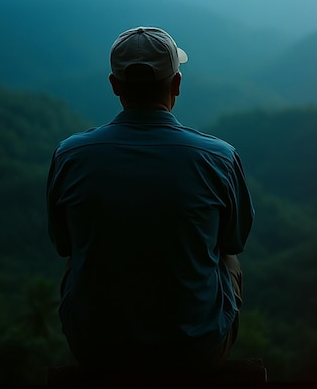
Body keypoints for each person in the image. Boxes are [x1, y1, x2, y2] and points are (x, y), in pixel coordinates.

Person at [46, 26, 254, 373]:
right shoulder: (219, 158)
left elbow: (62, 243)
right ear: (177, 84)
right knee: (227, 256)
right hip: (195, 350)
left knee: (79, 251)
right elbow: (234, 240)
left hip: (96, 350)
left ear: (114, 85)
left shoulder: (70, 156)